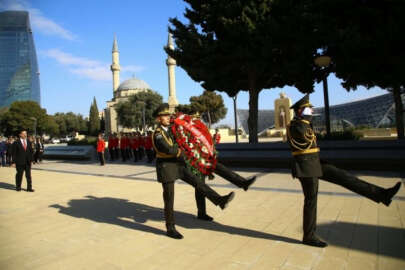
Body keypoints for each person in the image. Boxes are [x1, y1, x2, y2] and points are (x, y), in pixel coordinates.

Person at [286, 94, 402, 248]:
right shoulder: (296, 125)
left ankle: (381, 194)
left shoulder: (304, 123)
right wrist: (305, 118)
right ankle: (309, 236)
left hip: (315, 163)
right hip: (305, 167)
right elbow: (302, 134)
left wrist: (306, 117)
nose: (312, 111)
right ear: (300, 111)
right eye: (309, 109)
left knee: (345, 177)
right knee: (311, 201)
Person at [152, 103, 235, 239]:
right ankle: (170, 228)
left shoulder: (173, 129)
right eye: (164, 116)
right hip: (166, 167)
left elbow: (182, 138)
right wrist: (184, 152)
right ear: (158, 119)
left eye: (168, 115)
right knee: (169, 199)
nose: (168, 117)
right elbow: (167, 149)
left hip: (178, 165)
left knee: (198, 183)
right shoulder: (158, 134)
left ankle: (219, 200)